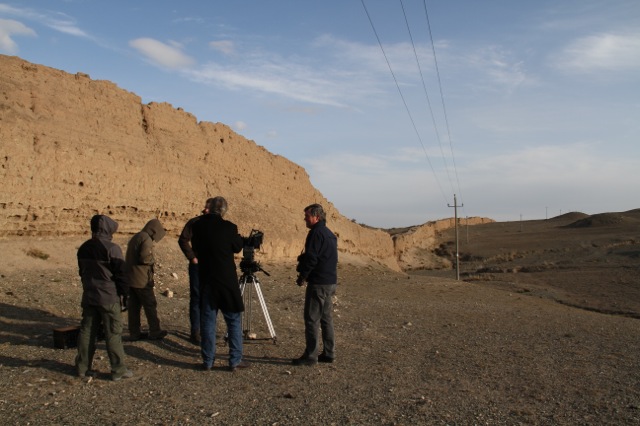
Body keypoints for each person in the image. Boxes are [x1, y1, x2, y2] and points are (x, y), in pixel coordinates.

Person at [191, 196, 250, 372]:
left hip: (206, 279)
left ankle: (208, 361)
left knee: (208, 321)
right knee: (233, 320)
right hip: (226, 281)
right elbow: (237, 246)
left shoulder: (197, 226)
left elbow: (195, 246)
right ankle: (235, 360)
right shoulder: (229, 227)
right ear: (223, 210)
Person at [75, 214, 133, 381]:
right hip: (108, 297)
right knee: (113, 333)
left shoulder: (83, 248)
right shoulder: (112, 249)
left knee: (87, 332)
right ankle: (118, 370)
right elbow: (121, 275)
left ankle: (82, 367)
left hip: (89, 295)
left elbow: (82, 273)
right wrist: (125, 295)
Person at [293, 203, 338, 366]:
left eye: (307, 216)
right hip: (330, 282)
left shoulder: (315, 233)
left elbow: (312, 259)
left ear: (316, 217)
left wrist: (302, 276)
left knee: (312, 319)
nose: (305, 218)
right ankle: (329, 353)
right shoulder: (329, 234)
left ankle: (311, 356)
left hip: (319, 283)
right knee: (326, 319)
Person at [178, 199, 214, 345]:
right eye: (205, 206)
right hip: (198, 266)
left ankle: (207, 331)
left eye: (208, 207)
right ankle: (195, 332)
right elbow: (183, 240)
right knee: (197, 298)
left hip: (212, 266)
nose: (205, 209)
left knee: (211, 298)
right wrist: (192, 257)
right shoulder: (195, 222)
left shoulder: (217, 224)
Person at [125, 218, 167, 341]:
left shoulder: (137, 236)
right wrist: (153, 260)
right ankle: (155, 331)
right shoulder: (146, 239)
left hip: (131, 278)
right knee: (150, 305)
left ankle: (134, 333)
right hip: (141, 280)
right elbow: (145, 258)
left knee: (134, 307)